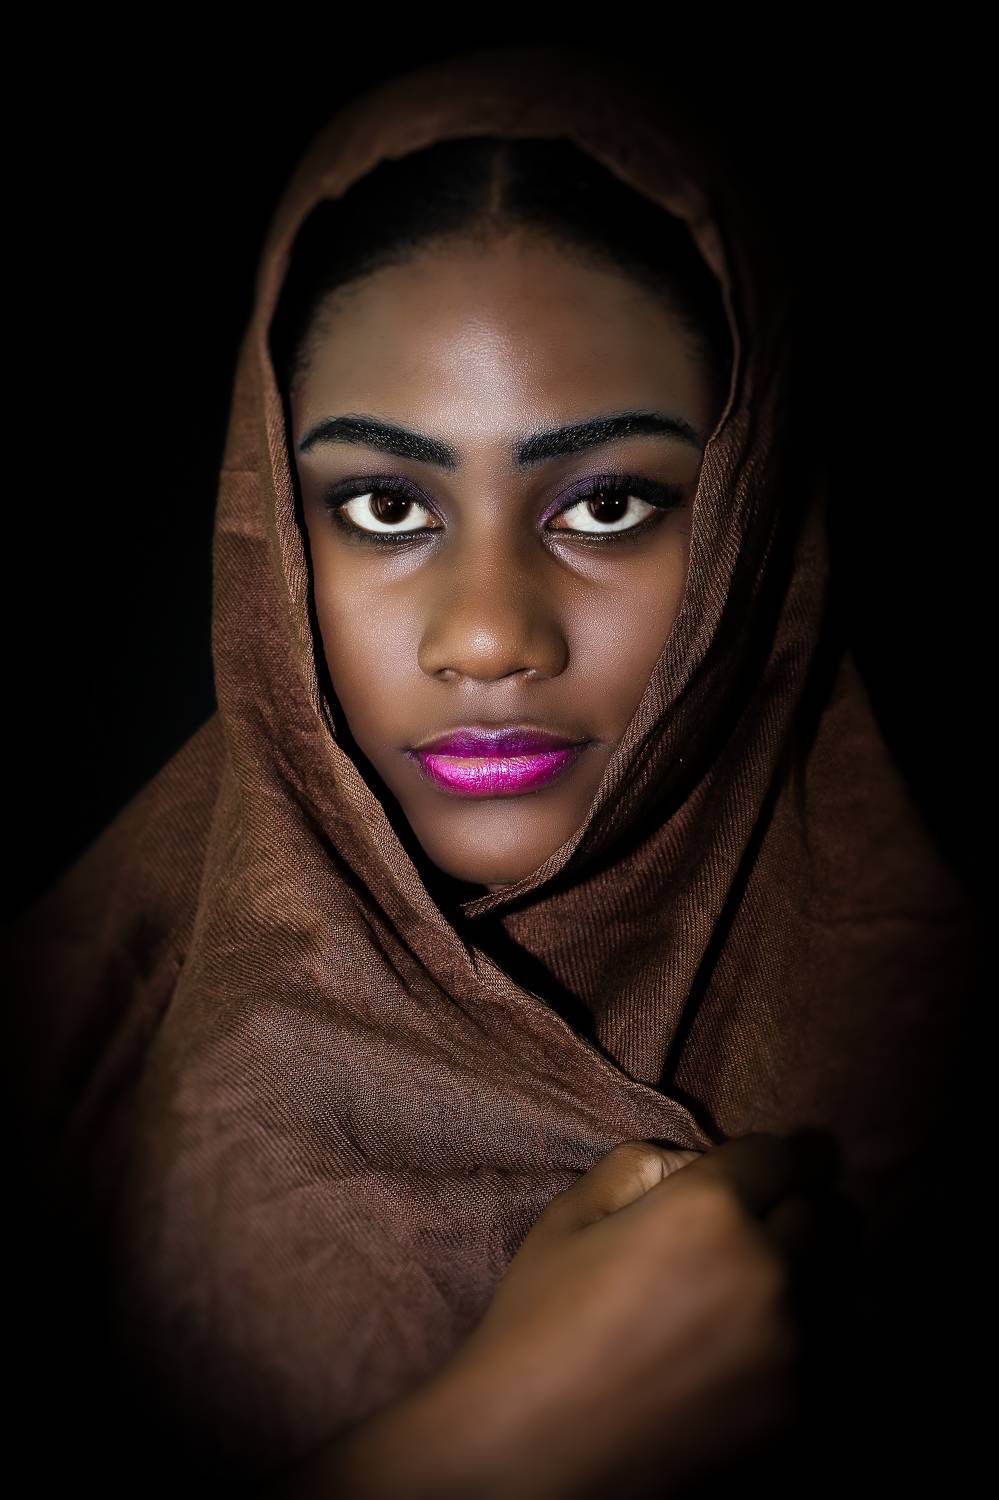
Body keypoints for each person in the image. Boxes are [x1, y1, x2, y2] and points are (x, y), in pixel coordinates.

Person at [7, 45, 975, 1500]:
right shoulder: (64, 1042)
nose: (487, 638)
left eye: (609, 503)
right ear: (272, 536)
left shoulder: (936, 1043)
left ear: (750, 515)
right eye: (386, 507)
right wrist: (516, 1440)